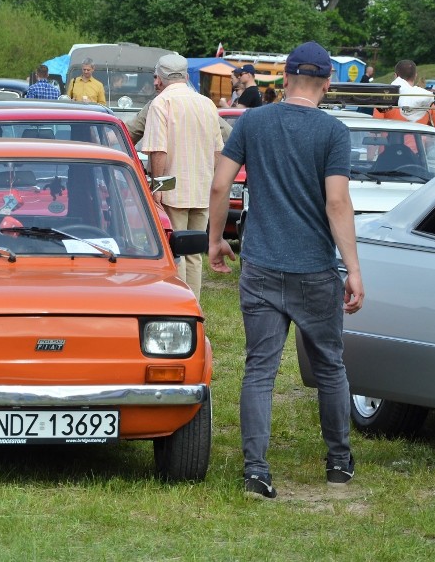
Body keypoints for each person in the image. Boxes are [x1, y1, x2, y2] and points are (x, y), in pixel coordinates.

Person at [208, 40, 364, 500]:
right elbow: (337, 201)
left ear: (285, 79)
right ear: (328, 83)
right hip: (315, 269)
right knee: (330, 367)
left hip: (260, 265)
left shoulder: (253, 121)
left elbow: (221, 184)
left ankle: (256, 471)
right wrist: (352, 269)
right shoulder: (334, 132)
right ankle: (338, 462)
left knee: (260, 369)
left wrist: (217, 239)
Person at [138, 53, 222, 298]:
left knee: (176, 252)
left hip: (172, 190)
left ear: (162, 79)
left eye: (155, 78)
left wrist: (158, 189)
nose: (155, 83)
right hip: (203, 189)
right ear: (185, 77)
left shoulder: (161, 103)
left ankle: (179, 304)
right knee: (194, 253)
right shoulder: (207, 103)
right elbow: (218, 152)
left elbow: (158, 150)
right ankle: (194, 303)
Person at [375, 59, 435, 126]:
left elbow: (376, 128)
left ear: (395, 76)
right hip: (418, 136)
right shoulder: (427, 100)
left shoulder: (383, 100)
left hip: (390, 136)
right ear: (415, 76)